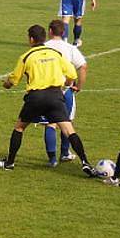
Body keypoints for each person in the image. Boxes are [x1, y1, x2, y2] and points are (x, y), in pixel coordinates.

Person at [0, 24, 97, 177]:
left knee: (19, 128)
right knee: (69, 130)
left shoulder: (26, 57)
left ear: (31, 39)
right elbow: (72, 74)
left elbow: (13, 81)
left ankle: (9, 162)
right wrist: (68, 83)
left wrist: (5, 83)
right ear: (44, 37)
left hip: (35, 97)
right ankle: (85, 162)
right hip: (55, 96)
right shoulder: (56, 54)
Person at [40, 19, 88, 167]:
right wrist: (78, 86)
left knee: (50, 124)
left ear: (49, 31)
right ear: (64, 32)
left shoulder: (42, 47)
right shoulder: (70, 48)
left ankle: (52, 159)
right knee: (67, 123)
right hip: (65, 90)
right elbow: (83, 67)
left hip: (46, 91)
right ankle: (65, 153)